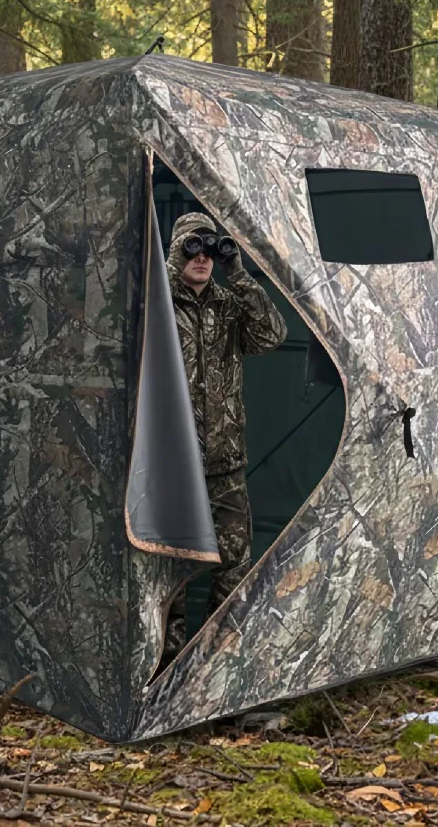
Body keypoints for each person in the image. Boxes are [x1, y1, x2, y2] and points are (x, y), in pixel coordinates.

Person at [161, 212, 288, 666]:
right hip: (173, 464)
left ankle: (218, 663)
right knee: (170, 571)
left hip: (225, 461)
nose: (203, 257)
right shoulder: (157, 305)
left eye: (210, 248)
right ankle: (165, 667)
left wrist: (238, 273)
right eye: (192, 247)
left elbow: (273, 335)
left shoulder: (228, 304)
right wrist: (172, 263)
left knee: (234, 564)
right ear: (176, 250)